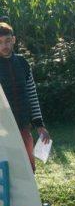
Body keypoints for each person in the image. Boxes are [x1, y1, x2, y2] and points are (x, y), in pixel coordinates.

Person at [0, 22, 51, 172]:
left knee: (27, 168)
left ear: (14, 40)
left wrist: (40, 126)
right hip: (2, 128)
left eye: (8, 40)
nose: (5, 45)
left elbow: (32, 95)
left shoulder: (22, 63)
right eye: (0, 42)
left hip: (22, 125)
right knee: (5, 171)